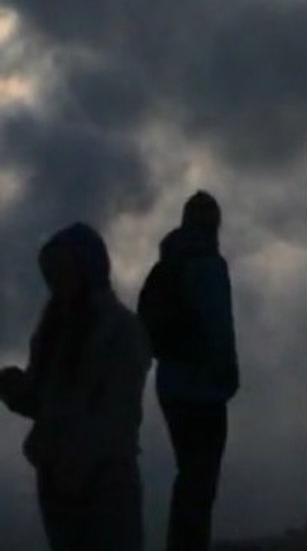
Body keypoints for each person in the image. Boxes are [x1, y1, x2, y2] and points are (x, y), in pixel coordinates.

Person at [0, 222, 151, 551]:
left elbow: (118, 412)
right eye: (50, 271)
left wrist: (77, 459)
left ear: (88, 268)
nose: (55, 280)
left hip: (104, 479)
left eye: (63, 269)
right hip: (57, 479)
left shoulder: (120, 330)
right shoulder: (54, 326)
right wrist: (13, 388)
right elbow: (45, 401)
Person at [139, 190, 239, 551]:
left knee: (188, 477)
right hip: (205, 387)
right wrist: (228, 378)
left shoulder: (166, 265)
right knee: (201, 481)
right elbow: (218, 328)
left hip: (170, 384)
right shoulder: (210, 265)